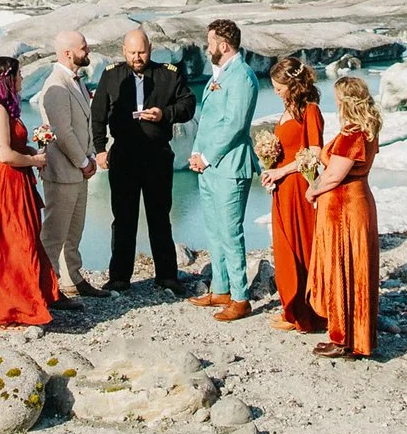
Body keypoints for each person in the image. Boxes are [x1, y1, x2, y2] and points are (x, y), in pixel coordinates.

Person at [91, 27, 196, 293]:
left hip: (157, 155)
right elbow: (98, 114)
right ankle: (119, 277)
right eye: (133, 52)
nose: (137, 57)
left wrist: (165, 113)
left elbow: (189, 104)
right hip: (123, 155)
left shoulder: (168, 75)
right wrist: (100, 149)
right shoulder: (112, 75)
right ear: (124, 51)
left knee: (159, 216)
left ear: (150, 49)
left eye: (142, 51)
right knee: (123, 217)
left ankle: (167, 276)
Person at [185, 19, 262, 320]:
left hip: (230, 166)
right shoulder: (221, 74)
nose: (207, 48)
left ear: (223, 45)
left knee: (231, 233)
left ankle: (241, 297)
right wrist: (196, 153)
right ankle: (220, 288)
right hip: (209, 167)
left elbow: (235, 124)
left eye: (210, 43)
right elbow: (209, 119)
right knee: (214, 230)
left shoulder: (242, 76)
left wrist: (207, 157)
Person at [0, 54, 58, 328]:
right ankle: (17, 307)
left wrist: (31, 151)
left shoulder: (4, 109)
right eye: (19, 74)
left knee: (24, 239)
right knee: (14, 243)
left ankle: (31, 300)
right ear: (8, 78)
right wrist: (34, 160)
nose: (23, 78)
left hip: (15, 180)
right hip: (5, 183)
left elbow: (13, 149)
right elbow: (4, 154)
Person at [305, 74, 382, 359]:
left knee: (342, 268)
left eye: (338, 100)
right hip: (354, 204)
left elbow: (335, 175)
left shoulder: (353, 135)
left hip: (345, 210)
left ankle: (343, 338)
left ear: (346, 102)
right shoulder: (366, 130)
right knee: (354, 269)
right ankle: (353, 336)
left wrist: (313, 190)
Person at [259, 56, 326, 333]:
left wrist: (282, 171)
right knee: (284, 246)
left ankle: (308, 312)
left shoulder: (310, 111)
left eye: (278, 87)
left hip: (300, 187)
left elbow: (315, 152)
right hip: (283, 188)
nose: (275, 91)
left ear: (293, 84)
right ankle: (291, 307)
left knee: (302, 246)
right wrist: (270, 169)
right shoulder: (289, 109)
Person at [37, 30, 96, 303]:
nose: (88, 51)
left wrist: (91, 156)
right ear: (68, 53)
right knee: (54, 234)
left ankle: (74, 279)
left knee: (74, 231)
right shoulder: (55, 85)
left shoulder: (77, 81)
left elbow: (85, 123)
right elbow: (63, 131)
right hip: (63, 172)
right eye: (83, 48)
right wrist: (83, 162)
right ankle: (49, 290)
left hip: (79, 171)